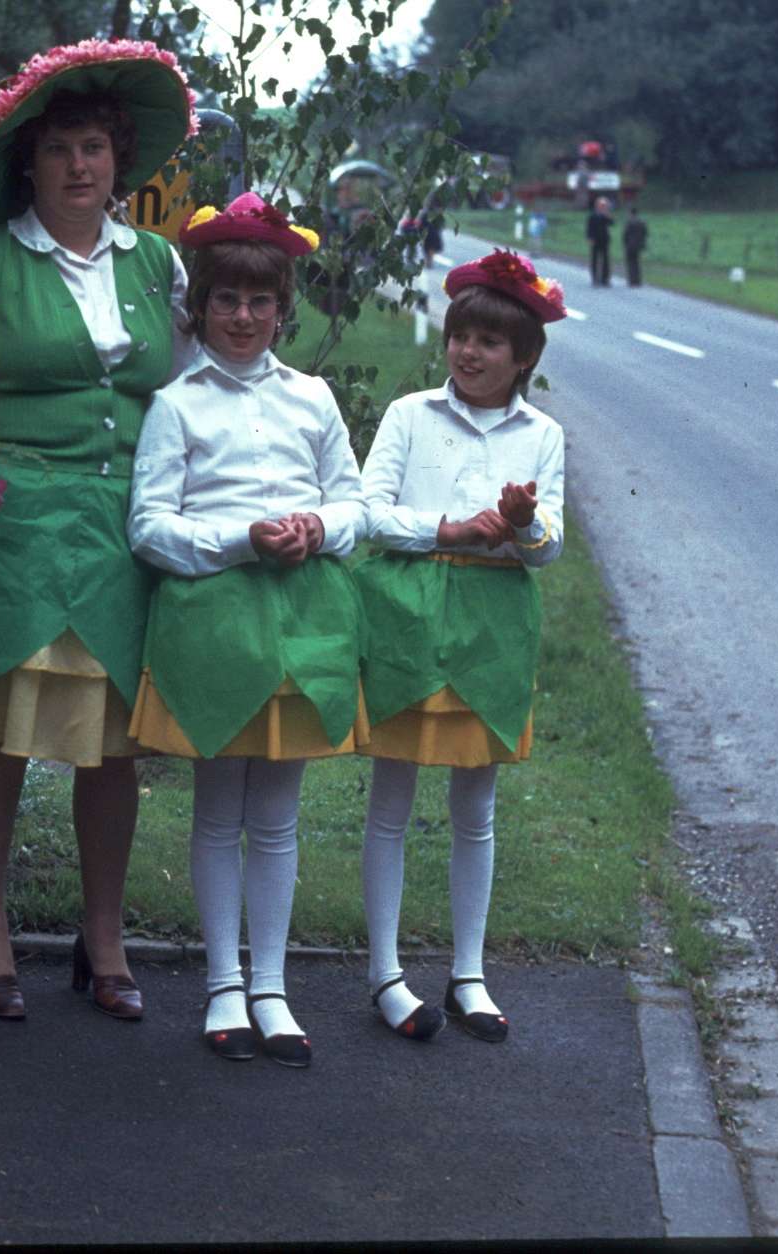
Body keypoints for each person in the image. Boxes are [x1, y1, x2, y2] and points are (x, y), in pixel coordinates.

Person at [0, 40, 196, 1021]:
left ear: (119, 160)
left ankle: (103, 939)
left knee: (113, 745)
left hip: (127, 532)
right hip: (18, 527)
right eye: (59, 148)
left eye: (94, 147)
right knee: (2, 736)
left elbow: (186, 402)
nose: (77, 166)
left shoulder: (158, 265)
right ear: (29, 163)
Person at [127, 193, 368, 1066]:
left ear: (281, 309)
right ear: (199, 306)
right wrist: (239, 539)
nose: (241, 317)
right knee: (218, 803)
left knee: (276, 811)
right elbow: (149, 528)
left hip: (303, 616)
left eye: (259, 302)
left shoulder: (311, 397)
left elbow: (355, 504)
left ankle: (271, 985)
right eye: (225, 300)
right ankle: (223, 984)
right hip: (214, 619)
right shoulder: (177, 404)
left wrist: (316, 527)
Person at [354, 248, 567, 1044]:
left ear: (524, 357)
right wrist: (445, 528)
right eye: (460, 337)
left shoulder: (543, 435)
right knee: (392, 797)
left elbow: (548, 548)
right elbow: (369, 512)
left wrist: (523, 525)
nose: (468, 353)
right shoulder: (411, 415)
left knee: (476, 804)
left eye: (489, 342)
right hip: (410, 607)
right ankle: (385, 972)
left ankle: (469, 971)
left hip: (494, 619)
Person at [586, 196, 612, 287]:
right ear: (597, 206)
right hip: (595, 240)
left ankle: (605, 279)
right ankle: (595, 279)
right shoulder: (592, 216)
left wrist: (607, 214)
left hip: (604, 240)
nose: (602, 207)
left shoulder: (606, 215)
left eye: (604, 205)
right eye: (601, 205)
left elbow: (612, 223)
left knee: (605, 260)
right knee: (595, 259)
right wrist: (590, 238)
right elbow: (589, 228)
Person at [623, 205, 648, 287]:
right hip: (639, 245)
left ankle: (632, 280)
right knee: (637, 262)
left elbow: (625, 234)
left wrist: (625, 243)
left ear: (631, 213)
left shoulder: (629, 222)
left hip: (630, 244)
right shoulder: (642, 222)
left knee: (630, 262)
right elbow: (645, 233)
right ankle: (638, 280)